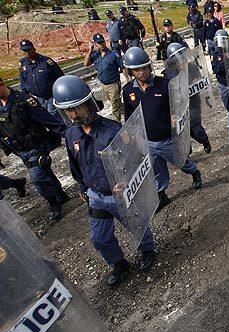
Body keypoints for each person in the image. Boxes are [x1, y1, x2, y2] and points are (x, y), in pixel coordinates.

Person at [54, 75, 156, 288]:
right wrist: (82, 185)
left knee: (137, 225)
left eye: (77, 109)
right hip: (96, 197)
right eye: (68, 111)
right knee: (99, 237)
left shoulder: (112, 130)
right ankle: (118, 263)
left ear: (88, 104)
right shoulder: (71, 133)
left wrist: (127, 181)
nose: (74, 115)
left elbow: (134, 157)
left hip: (119, 194)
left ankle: (147, 250)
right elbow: (76, 163)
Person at [122, 47, 203, 211]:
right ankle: (161, 194)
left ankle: (194, 172)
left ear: (149, 67)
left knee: (181, 162)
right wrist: (130, 133)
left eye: (144, 68)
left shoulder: (164, 85)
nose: (141, 72)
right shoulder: (128, 91)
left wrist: (176, 116)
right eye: (136, 70)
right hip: (147, 140)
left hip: (166, 138)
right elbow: (130, 115)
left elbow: (179, 105)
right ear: (131, 72)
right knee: (156, 169)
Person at [0, 77, 68, 220]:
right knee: (44, 171)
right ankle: (60, 194)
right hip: (20, 149)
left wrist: (69, 134)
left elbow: (46, 119)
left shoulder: (23, 100)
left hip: (37, 145)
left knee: (37, 176)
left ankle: (53, 202)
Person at [165, 43, 212, 153]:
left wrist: (196, 81)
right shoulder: (168, 73)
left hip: (193, 103)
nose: (181, 61)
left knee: (197, 130)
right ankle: (187, 152)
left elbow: (199, 80)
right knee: (184, 132)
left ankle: (204, 140)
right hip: (179, 107)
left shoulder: (191, 67)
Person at [83, 33, 124, 122]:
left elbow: (122, 67)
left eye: (102, 42)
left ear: (105, 42)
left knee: (115, 106)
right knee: (115, 102)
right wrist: (90, 50)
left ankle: (117, 123)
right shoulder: (95, 55)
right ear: (95, 44)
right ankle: (127, 110)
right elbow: (86, 64)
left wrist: (128, 80)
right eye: (98, 43)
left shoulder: (113, 54)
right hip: (104, 84)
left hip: (113, 84)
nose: (101, 44)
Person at [18, 39, 64, 117]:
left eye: (29, 50)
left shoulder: (46, 62)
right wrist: (25, 94)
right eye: (25, 51)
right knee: (44, 117)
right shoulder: (23, 64)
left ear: (33, 49)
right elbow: (23, 81)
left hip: (50, 96)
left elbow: (60, 77)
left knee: (53, 114)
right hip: (36, 99)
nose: (27, 53)